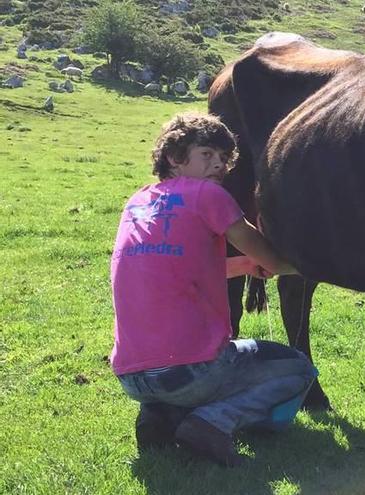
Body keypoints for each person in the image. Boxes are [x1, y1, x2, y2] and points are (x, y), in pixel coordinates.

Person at [109, 113, 317, 467]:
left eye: (224, 157)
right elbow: (275, 259)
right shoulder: (208, 195)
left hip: (131, 376)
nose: (219, 163)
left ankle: (159, 416)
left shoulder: (138, 201)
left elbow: (173, 267)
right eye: (207, 154)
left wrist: (243, 267)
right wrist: (322, 264)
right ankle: (211, 423)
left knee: (185, 370)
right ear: (174, 157)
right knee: (298, 369)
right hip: (191, 373)